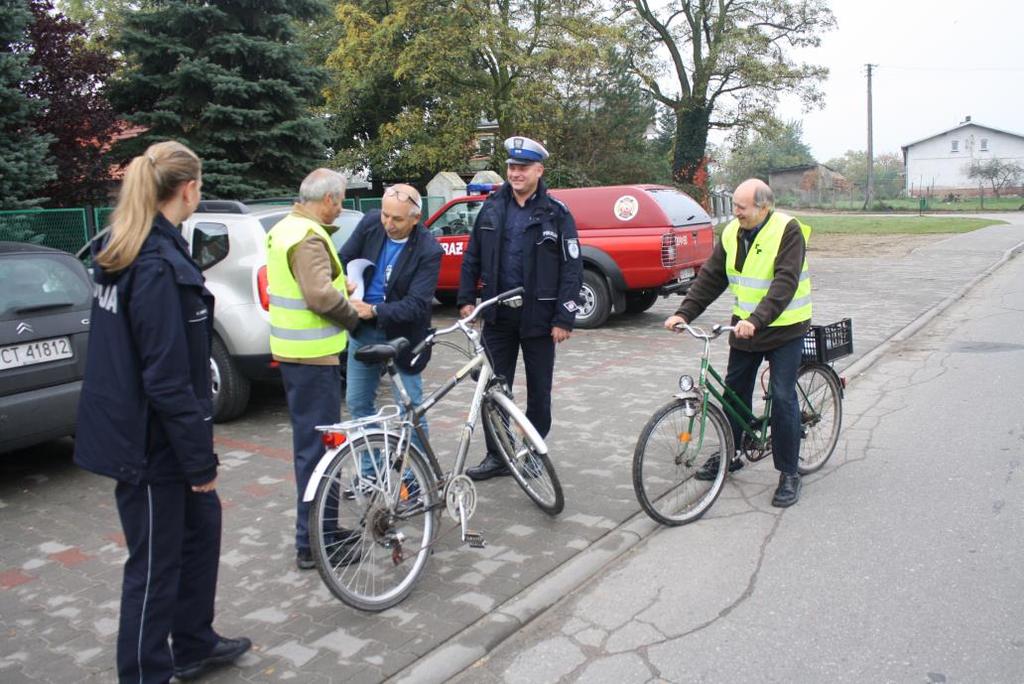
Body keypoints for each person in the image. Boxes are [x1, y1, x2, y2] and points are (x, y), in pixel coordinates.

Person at [74, 141, 251, 682]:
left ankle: (193, 643)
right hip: (151, 445)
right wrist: (200, 464)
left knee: (203, 529)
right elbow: (168, 379)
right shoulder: (151, 262)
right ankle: (145, 672)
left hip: (152, 433)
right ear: (189, 189)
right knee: (153, 566)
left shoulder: (130, 245)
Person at [663, 178, 812, 508]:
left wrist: (756, 320)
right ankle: (730, 455)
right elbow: (711, 278)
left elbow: (784, 283)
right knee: (733, 395)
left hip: (785, 328)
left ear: (764, 207)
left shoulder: (788, 230)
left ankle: (789, 473)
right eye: (734, 207)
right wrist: (684, 313)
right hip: (744, 330)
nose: (736, 213)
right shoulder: (732, 232)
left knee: (783, 396)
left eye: (741, 208)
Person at [458, 136, 583, 480]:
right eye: (512, 167)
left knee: (538, 392)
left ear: (539, 171)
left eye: (523, 168)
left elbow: (572, 268)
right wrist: (467, 299)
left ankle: (531, 452)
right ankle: (498, 455)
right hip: (497, 316)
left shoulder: (556, 214)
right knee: (493, 389)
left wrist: (564, 317)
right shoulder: (492, 207)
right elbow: (473, 256)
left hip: (540, 319)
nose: (515, 173)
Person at [266, 169, 362, 570]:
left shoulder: (285, 228)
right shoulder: (307, 237)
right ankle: (314, 544)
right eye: (339, 201)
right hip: (313, 360)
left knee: (317, 450)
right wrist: (353, 316)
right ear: (328, 200)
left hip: (297, 357)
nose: (339, 208)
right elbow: (319, 295)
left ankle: (323, 531)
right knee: (319, 455)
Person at [339, 183, 443, 448]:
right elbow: (344, 257)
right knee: (358, 403)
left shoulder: (428, 250)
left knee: (410, 409)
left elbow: (417, 305)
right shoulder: (370, 223)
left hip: (404, 337)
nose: (388, 223)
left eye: (397, 218)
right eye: (385, 215)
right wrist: (346, 282)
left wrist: (374, 309)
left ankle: (415, 479)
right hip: (363, 332)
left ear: (415, 218)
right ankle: (371, 473)